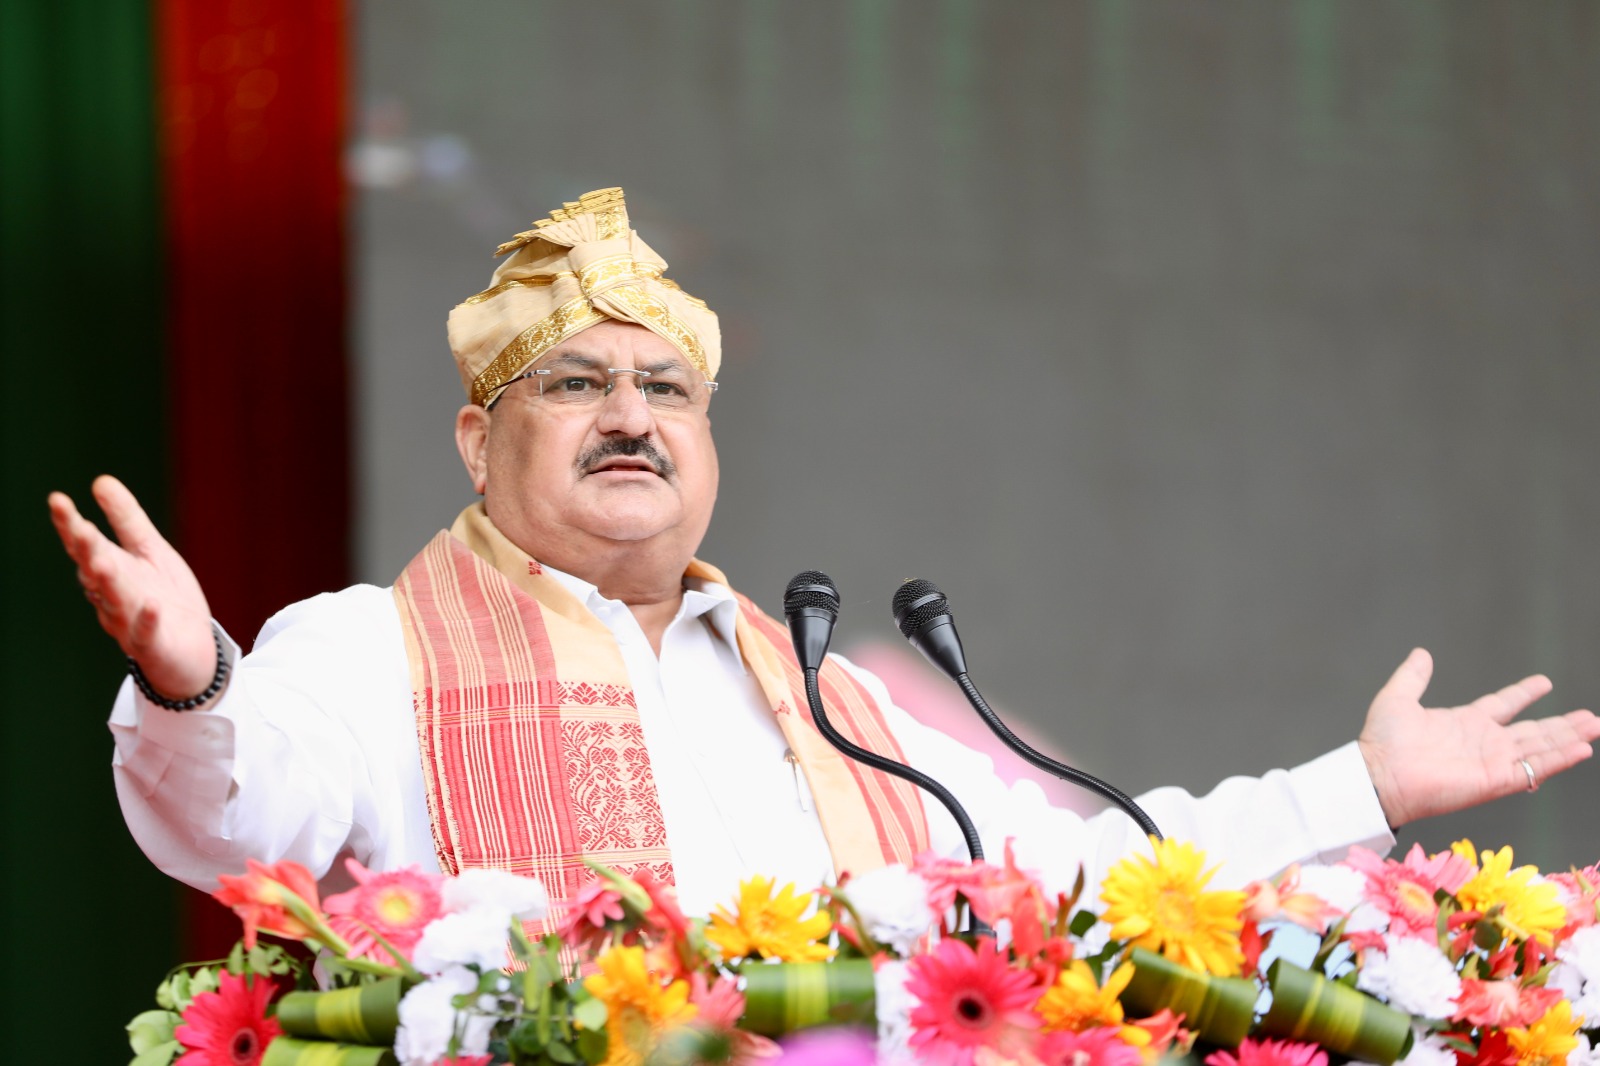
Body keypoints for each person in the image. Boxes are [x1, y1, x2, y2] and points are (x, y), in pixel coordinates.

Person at [49, 188, 1600, 924]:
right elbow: (230, 815)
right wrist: (190, 681)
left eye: (666, 388)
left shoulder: (822, 696)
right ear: (475, 441)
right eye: (576, 383)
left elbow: (1072, 875)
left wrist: (1363, 788)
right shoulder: (367, 649)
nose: (630, 417)